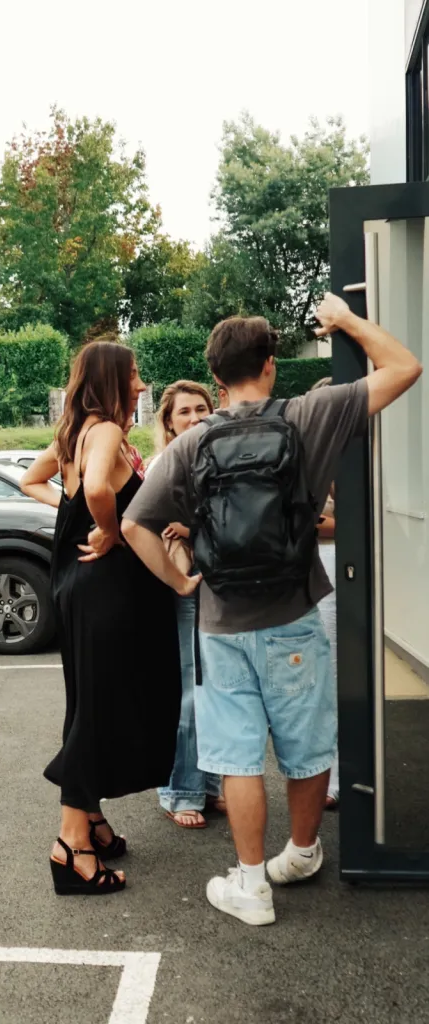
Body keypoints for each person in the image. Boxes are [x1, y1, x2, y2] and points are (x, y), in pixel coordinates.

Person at [122, 293, 422, 926]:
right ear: (270, 367)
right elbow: (404, 366)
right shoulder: (310, 415)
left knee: (235, 756)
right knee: (308, 746)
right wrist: (343, 322)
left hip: (222, 623)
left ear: (215, 377)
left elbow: (133, 526)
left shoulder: (190, 443)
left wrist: (182, 585)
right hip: (295, 614)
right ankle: (303, 852)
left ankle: (251, 885)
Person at [21, 340, 182, 897]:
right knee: (100, 710)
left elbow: (32, 482)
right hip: (108, 592)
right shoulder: (106, 430)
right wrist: (109, 529)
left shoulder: (75, 432)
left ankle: (89, 818)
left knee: (88, 703)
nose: (141, 385)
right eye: (135, 375)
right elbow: (93, 488)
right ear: (113, 380)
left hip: (80, 588)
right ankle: (71, 846)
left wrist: (75, 522)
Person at [147, 381, 224, 828]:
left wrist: (192, 528)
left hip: (222, 588)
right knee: (190, 694)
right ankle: (180, 789)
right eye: (184, 412)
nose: (195, 418)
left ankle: (209, 784)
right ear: (169, 422)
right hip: (187, 588)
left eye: (201, 409)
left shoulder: (218, 459)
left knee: (216, 692)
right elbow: (142, 527)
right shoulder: (165, 464)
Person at [310, 376, 341, 809]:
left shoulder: (350, 454)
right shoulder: (309, 456)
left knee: (340, 674)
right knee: (322, 675)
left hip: (343, 566)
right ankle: (327, 774)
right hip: (316, 569)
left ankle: (341, 774)